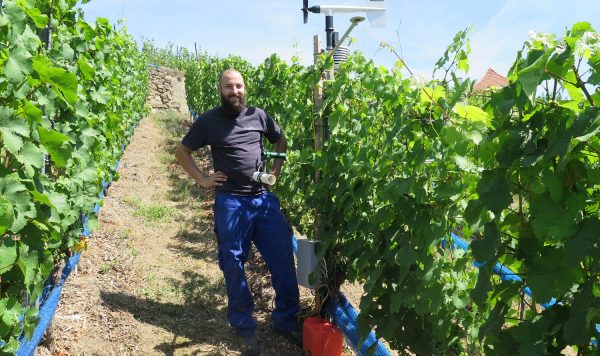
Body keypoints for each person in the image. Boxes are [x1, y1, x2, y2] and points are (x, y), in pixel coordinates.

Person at [175, 69, 301, 355]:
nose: (235, 91)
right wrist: (203, 179)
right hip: (231, 201)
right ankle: (244, 328)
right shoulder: (209, 121)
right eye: (229, 86)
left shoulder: (259, 115)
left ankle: (285, 319)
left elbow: (280, 140)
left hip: (262, 198)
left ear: (245, 88)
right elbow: (182, 152)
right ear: (220, 90)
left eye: (239, 86)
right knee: (233, 262)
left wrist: (275, 172)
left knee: (282, 257)